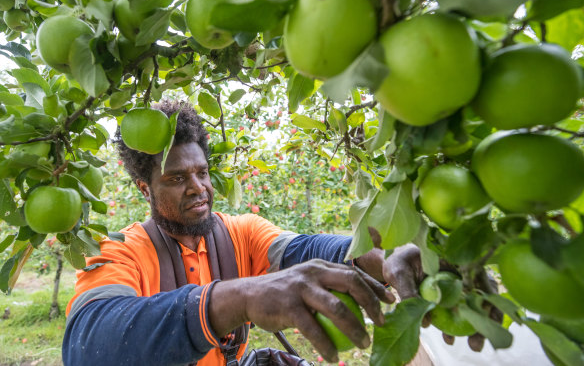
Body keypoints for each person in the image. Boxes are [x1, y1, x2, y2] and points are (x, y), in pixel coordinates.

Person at [61, 100, 428, 366]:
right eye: (176, 178)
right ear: (145, 189)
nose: (197, 188)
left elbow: (302, 252)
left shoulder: (241, 233)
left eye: (201, 173)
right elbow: (87, 343)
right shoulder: (118, 250)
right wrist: (242, 298)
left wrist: (374, 257)